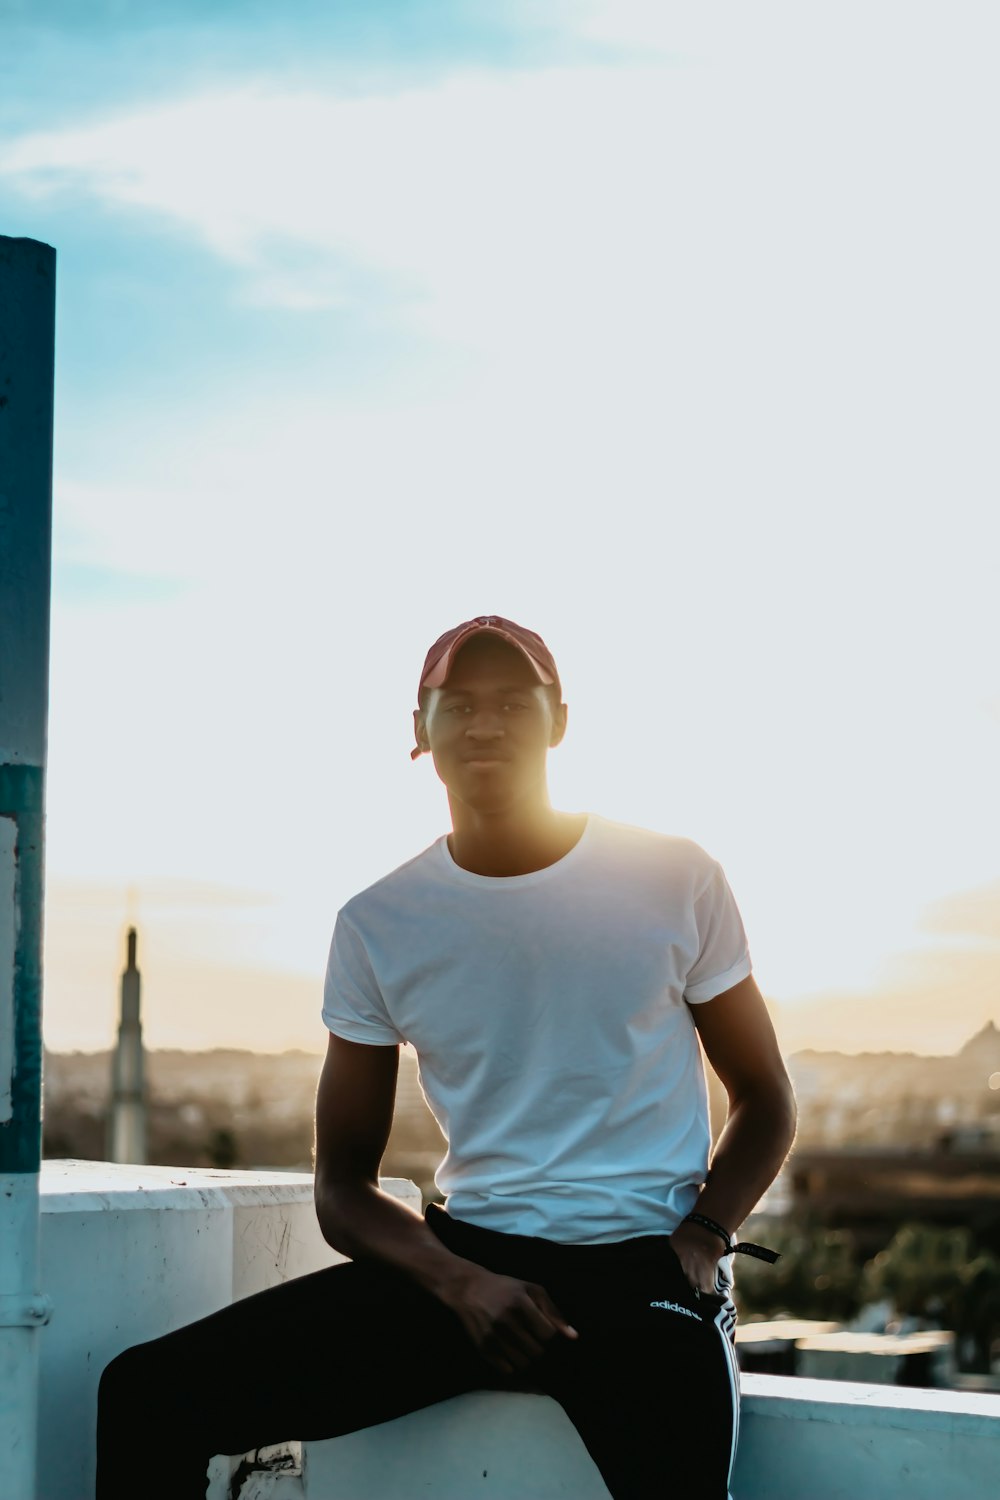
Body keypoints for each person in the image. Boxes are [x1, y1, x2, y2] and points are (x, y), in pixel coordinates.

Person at [97, 614, 796, 1500]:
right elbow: (343, 1190)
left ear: (560, 721)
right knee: (145, 1395)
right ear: (419, 728)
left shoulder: (673, 876)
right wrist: (463, 1284)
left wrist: (704, 1235)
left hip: (641, 1271)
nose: (486, 724)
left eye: (514, 702)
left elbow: (767, 1097)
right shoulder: (379, 924)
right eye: (458, 704)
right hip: (469, 1267)